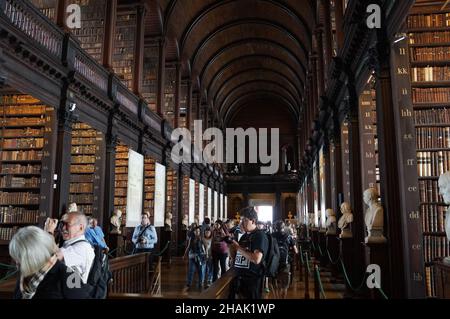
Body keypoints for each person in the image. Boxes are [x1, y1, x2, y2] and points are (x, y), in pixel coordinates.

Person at [9, 226, 89, 299]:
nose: (16, 262)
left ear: (33, 256)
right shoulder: (26, 274)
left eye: (19, 257)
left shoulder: (69, 277)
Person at [229, 207, 269, 299]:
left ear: (253, 221)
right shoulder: (244, 236)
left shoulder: (260, 236)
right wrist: (231, 244)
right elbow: (234, 257)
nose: (241, 223)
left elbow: (256, 259)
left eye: (244, 220)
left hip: (251, 282)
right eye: (241, 220)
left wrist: (238, 247)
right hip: (238, 280)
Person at [45, 211, 95, 284]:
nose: (63, 228)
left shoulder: (82, 247)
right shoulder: (71, 244)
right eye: (63, 224)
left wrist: (49, 232)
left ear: (81, 227)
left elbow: (54, 257)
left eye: (68, 224)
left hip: (72, 294)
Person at [271, 220, 298, 299]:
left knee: (273, 282)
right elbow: (295, 250)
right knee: (284, 285)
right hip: (284, 262)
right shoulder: (288, 236)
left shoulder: (271, 236)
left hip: (273, 262)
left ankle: (276, 297)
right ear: (284, 227)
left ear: (275, 228)